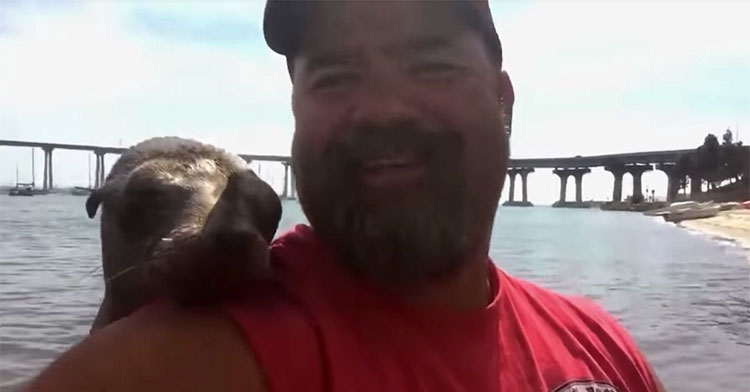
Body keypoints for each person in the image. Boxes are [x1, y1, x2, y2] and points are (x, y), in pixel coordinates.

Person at [27, 1, 665, 391]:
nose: (383, 108)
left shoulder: (603, 346)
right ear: (297, 113)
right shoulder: (199, 348)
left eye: (430, 65)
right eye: (337, 75)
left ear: (502, 101)